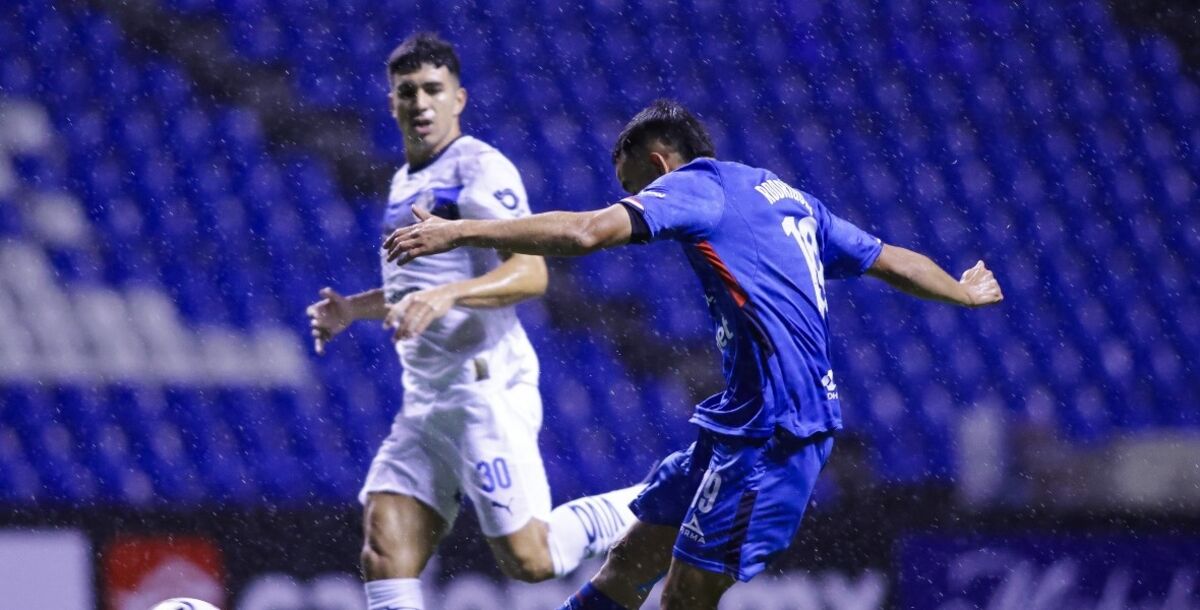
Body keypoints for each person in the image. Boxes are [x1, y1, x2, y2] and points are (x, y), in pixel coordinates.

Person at [382, 99, 1004, 609]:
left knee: (685, 597)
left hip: (779, 430)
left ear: (660, 162)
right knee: (629, 561)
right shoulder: (783, 197)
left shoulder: (696, 187)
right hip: (737, 420)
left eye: (634, 187)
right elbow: (889, 258)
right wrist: (961, 291)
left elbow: (585, 233)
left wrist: (458, 230)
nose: (636, 202)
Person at [306, 33, 642, 610]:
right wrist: (352, 311)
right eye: (406, 91)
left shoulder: (481, 168)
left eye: (433, 89)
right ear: (391, 103)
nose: (420, 102)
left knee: (531, 561)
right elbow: (412, 292)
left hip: (483, 388)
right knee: (385, 547)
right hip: (427, 400)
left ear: (458, 98)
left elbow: (533, 275)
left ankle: (659, 497)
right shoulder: (403, 182)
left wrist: (451, 295)